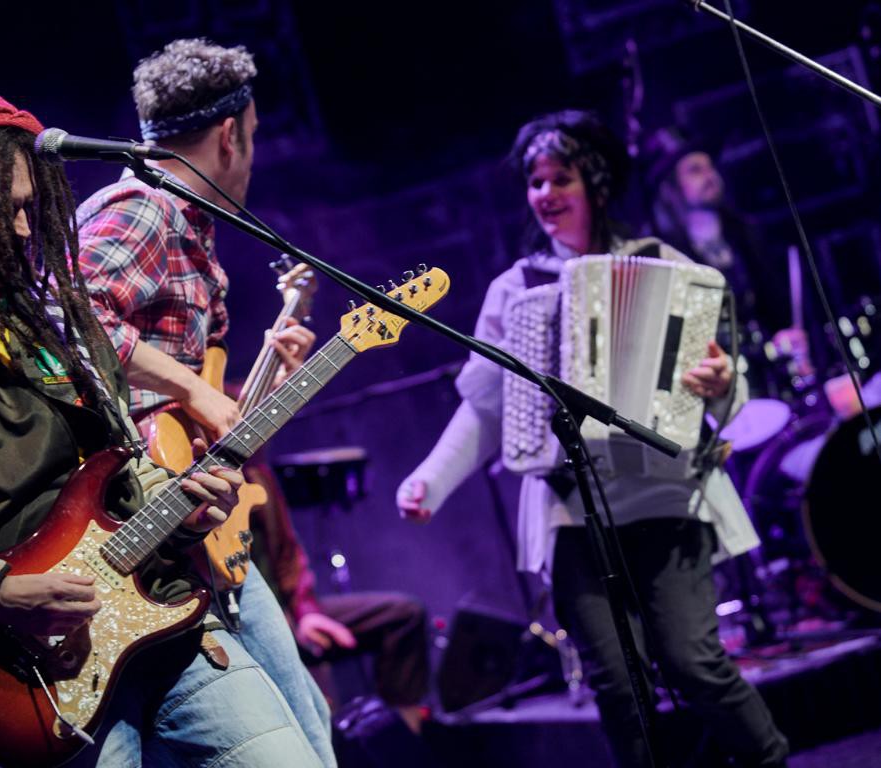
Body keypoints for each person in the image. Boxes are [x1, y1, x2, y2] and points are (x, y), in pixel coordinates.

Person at [0, 86, 324, 767]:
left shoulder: (48, 317)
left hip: (159, 616)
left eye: (27, 208)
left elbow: (117, 464)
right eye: (0, 211)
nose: (23, 230)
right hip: (24, 668)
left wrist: (184, 510)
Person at [396, 110, 789, 768]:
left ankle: (771, 760)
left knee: (693, 663)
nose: (544, 194)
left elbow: (724, 392)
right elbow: (485, 411)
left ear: (597, 184)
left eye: (561, 178)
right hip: (572, 512)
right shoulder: (512, 290)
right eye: (534, 181)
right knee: (617, 686)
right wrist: (431, 478)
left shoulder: (665, 266)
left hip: (666, 500)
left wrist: (721, 381)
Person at [75, 40, 336, 765]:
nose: (251, 156)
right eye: (251, 138)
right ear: (232, 133)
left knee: (307, 723)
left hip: (192, 529)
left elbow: (184, 417)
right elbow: (74, 323)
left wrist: (259, 389)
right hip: (147, 534)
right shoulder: (144, 211)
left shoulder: (184, 228)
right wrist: (193, 387)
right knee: (302, 738)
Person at [243, 456, 430, 734]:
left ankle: (401, 737)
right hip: (245, 623)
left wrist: (306, 613)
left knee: (404, 616)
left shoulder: (257, 474)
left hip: (287, 613)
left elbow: (288, 555)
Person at [646, 128, 812, 398]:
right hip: (714, 390)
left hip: (769, 378)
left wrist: (788, 337)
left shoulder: (745, 233)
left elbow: (776, 305)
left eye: (710, 167)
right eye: (695, 170)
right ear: (672, 187)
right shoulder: (665, 256)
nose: (710, 175)